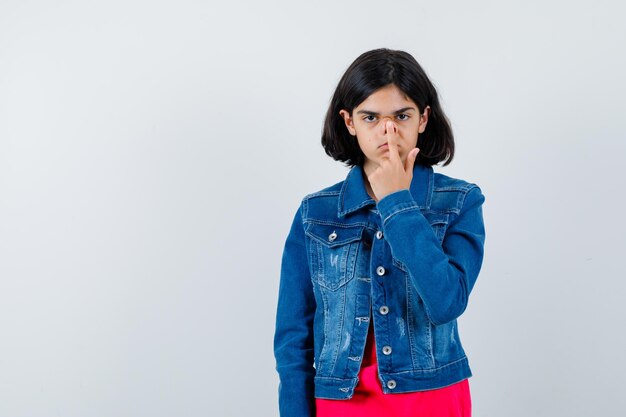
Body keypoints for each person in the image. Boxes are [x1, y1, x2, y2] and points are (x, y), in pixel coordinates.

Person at [273, 48, 486, 417]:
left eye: (401, 116)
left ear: (423, 119)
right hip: (342, 402)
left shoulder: (460, 201)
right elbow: (293, 337)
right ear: (349, 122)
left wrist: (398, 204)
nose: (388, 131)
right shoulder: (315, 212)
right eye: (370, 117)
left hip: (432, 400)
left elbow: (447, 302)